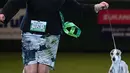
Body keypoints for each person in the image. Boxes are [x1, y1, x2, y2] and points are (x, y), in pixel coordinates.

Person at [0, 0, 109, 73]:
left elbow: (76, 8)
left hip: (51, 34)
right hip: (31, 32)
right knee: (32, 71)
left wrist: (97, 7)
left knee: (42, 71)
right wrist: (4, 13)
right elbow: (15, 2)